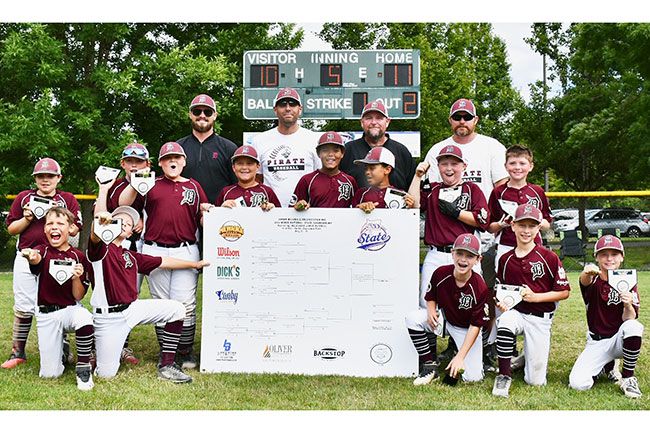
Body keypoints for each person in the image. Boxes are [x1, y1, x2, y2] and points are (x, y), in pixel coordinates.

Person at [422, 98, 508, 362]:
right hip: (442, 242)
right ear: (450, 120)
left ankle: (488, 347)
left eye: (466, 117)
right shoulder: (437, 149)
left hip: (481, 239)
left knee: (484, 296)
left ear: (475, 120)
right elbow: (426, 193)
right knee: (440, 297)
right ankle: (448, 347)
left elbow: (501, 187)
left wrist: (474, 215)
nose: (462, 122)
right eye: (457, 117)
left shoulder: (491, 146)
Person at [88, 205, 209, 383]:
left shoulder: (131, 256)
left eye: (128, 224)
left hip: (131, 309)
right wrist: (99, 222)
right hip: (108, 318)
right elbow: (94, 236)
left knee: (177, 309)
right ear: (109, 224)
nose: (123, 224)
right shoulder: (100, 250)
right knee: (106, 374)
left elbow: (163, 261)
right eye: (118, 220)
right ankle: (97, 350)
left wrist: (194, 265)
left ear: (130, 233)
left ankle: (167, 365)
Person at [120, 142, 212, 370]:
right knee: (162, 303)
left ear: (183, 161)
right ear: (160, 163)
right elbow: (125, 204)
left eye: (177, 157)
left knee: (186, 303)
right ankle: (167, 350)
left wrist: (208, 214)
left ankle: (185, 351)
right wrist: (136, 181)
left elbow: (201, 216)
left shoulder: (194, 185)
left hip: (185, 247)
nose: (173, 161)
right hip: (155, 248)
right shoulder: (150, 183)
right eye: (167, 157)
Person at [407, 144, 489, 365]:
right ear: (438, 167)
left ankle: (470, 353)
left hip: (466, 256)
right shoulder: (432, 190)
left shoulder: (472, 189)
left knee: (470, 304)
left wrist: (458, 213)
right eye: (444, 163)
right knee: (427, 305)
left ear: (464, 166)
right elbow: (412, 204)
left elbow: (483, 221)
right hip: (437, 254)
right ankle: (429, 357)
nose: (449, 168)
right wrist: (417, 176)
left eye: (454, 163)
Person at [3, 158, 82, 369]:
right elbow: (11, 229)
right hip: (26, 254)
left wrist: (61, 217)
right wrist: (28, 217)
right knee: (23, 305)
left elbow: (76, 229)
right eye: (41, 176)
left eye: (50, 176)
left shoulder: (67, 199)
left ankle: (62, 347)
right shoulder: (24, 197)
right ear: (35, 179)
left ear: (59, 178)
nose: (45, 180)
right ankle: (17, 351)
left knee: (58, 303)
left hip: (56, 259)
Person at [491, 204, 570, 398]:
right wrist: (501, 303)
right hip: (517, 313)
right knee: (506, 321)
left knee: (535, 382)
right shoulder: (505, 259)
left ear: (538, 228)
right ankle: (504, 375)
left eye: (531, 226)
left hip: (540, 318)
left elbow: (564, 291)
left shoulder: (549, 257)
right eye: (522, 225)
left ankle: (526, 357)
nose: (526, 231)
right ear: (513, 226)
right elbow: (501, 291)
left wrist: (536, 297)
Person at [486, 144, 552, 370]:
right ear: (505, 166)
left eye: (522, 163)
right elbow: (490, 226)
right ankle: (506, 348)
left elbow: (546, 222)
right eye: (512, 163)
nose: (517, 167)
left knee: (535, 294)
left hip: (534, 249)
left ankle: (532, 345)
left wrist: (534, 220)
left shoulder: (537, 192)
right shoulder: (498, 192)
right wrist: (504, 223)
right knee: (504, 297)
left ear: (530, 166)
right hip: (506, 248)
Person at [21, 207, 95, 390]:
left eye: (60, 223)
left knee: (84, 317)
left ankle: (83, 367)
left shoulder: (78, 256)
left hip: (69, 310)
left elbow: (78, 295)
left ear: (70, 229)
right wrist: (31, 256)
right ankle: (61, 348)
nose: (54, 227)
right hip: (47, 314)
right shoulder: (42, 250)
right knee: (50, 374)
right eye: (50, 224)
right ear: (45, 229)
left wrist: (77, 276)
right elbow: (36, 258)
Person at [405, 233, 490, 386]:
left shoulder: (480, 286)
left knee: (473, 378)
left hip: (467, 329)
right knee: (413, 318)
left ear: (478, 260)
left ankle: (461, 355)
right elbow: (430, 296)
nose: (463, 259)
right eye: (459, 253)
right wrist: (431, 310)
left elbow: (476, 326)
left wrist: (461, 357)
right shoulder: (441, 272)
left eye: (470, 256)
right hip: (446, 320)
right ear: (452, 253)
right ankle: (429, 366)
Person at [94, 141, 152, 366]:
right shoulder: (115, 185)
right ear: (123, 164)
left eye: (139, 161)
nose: (134, 166)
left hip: (150, 244)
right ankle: (114, 344)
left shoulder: (156, 181)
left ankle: (123, 343)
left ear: (147, 163)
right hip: (118, 249)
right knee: (119, 297)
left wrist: (145, 218)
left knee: (136, 297)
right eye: (130, 161)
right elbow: (112, 208)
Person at [569, 235, 643, 398]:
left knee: (634, 326)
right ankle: (607, 365)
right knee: (578, 384)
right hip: (597, 342)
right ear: (596, 257)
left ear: (622, 257)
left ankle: (628, 378)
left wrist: (627, 304)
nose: (609, 258)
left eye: (614, 254)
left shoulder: (628, 280)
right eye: (604, 254)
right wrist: (586, 272)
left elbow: (630, 317)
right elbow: (584, 280)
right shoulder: (593, 279)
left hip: (619, 339)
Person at [250, 87, 321, 207]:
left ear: (300, 109)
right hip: (269, 212)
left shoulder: (314, 139)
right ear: (275, 110)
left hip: (305, 213)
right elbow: (256, 179)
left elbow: (320, 178)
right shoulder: (259, 141)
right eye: (283, 104)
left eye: (292, 104)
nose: (288, 108)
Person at [340, 100, 416, 192]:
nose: (373, 122)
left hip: (395, 206)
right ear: (362, 122)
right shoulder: (348, 150)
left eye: (379, 118)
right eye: (368, 118)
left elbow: (413, 187)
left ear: (387, 122)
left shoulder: (401, 151)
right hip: (356, 205)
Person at [177, 93, 238, 204]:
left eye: (207, 112)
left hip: (219, 214)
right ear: (190, 115)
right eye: (197, 111)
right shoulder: (178, 148)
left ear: (215, 115)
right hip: (184, 213)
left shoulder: (229, 148)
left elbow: (237, 186)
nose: (202, 115)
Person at [293, 131, 357, 210]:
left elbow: (356, 209)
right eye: (325, 150)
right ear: (318, 153)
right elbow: (293, 210)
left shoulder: (350, 181)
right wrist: (298, 206)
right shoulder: (307, 180)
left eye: (336, 150)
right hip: (316, 222)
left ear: (342, 153)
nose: (330, 154)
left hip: (343, 222)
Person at [215, 145, 281, 210]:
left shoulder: (267, 191)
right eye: (240, 163)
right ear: (233, 167)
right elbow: (214, 217)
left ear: (258, 167)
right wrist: (222, 208)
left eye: (249, 164)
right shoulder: (226, 192)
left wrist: (272, 209)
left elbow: (280, 217)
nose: (244, 167)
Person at [351, 147, 415, 212]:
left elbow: (406, 220)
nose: (367, 172)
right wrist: (359, 209)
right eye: (366, 168)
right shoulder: (360, 193)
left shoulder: (402, 196)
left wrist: (410, 209)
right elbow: (350, 217)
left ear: (387, 169)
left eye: (372, 168)